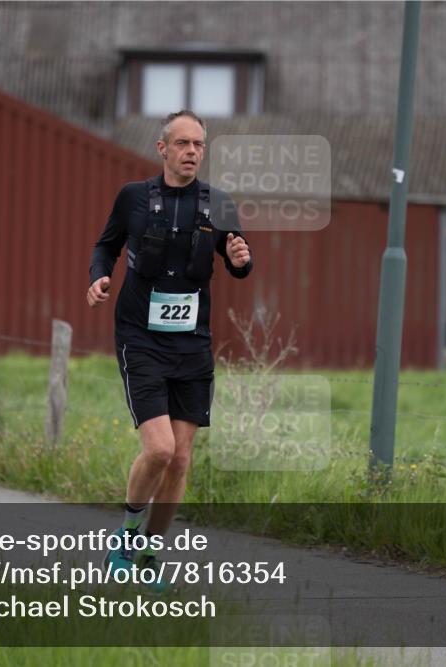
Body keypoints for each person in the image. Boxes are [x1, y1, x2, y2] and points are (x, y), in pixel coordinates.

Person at [87, 110, 252, 590]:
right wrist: (98, 277)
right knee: (158, 449)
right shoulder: (134, 198)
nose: (192, 152)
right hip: (140, 337)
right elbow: (106, 247)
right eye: (183, 143)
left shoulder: (218, 204)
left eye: (199, 145)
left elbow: (238, 258)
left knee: (181, 459)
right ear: (163, 148)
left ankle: (149, 556)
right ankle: (126, 538)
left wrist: (243, 260)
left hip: (192, 345)